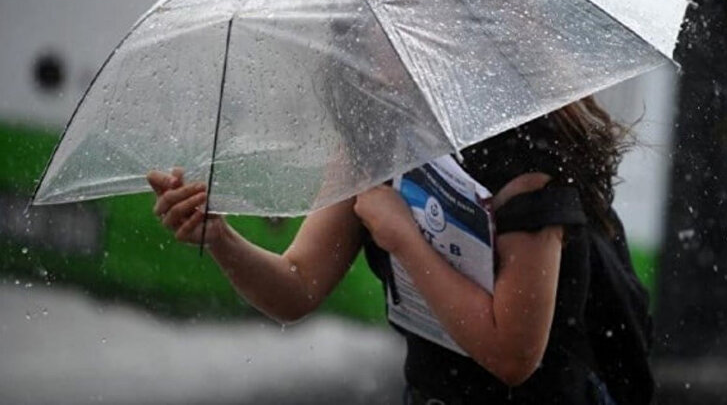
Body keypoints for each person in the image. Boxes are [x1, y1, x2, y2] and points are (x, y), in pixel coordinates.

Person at [146, 96, 652, 405]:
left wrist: (402, 238)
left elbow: (512, 356)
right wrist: (221, 239)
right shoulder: (376, 137)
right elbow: (296, 285)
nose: (366, 47)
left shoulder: (527, 162)